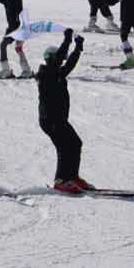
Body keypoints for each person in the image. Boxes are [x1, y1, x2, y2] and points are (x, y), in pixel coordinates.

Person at [35, 29, 91, 193]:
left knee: (75, 143)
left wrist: (78, 48)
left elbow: (69, 64)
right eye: (58, 59)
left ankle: (72, 177)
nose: (61, 61)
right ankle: (60, 180)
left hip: (59, 119)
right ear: (51, 59)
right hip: (50, 120)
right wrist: (67, 40)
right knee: (64, 147)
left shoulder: (58, 73)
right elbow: (60, 57)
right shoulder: (46, 75)